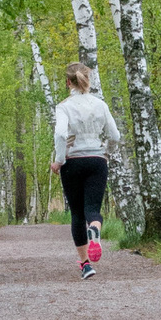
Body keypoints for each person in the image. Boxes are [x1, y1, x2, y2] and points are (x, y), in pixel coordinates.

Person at [50, 62, 120, 279]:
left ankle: (85, 265)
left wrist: (59, 160)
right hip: (96, 160)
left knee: (77, 214)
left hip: (73, 162)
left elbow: (61, 134)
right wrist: (105, 152)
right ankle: (95, 231)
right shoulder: (100, 105)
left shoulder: (64, 106)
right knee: (92, 209)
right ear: (88, 80)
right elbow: (115, 135)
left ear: (67, 82)